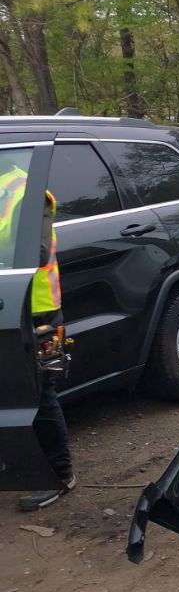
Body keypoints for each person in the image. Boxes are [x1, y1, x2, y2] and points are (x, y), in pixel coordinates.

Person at [0, 159, 76, 510]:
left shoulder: (26, 193)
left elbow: (37, 251)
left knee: (39, 396)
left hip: (34, 310)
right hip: (10, 305)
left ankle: (59, 476)